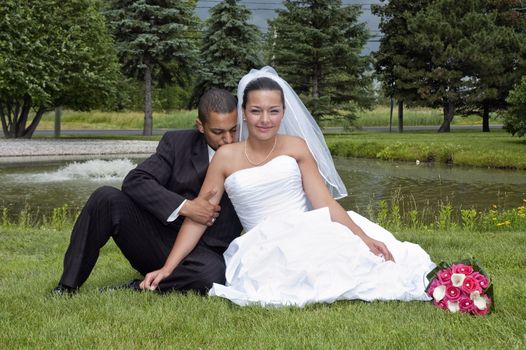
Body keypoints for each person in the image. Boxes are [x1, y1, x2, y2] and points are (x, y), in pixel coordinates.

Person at [140, 67, 436, 307]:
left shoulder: (296, 146)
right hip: (263, 244)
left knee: (367, 265)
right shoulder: (226, 157)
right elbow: (199, 217)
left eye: (273, 111)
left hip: (307, 227)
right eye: (256, 111)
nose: (265, 120)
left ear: (284, 112)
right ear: (244, 112)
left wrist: (363, 236)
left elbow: (325, 202)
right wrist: (168, 268)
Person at [52, 88, 243, 295]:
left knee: (212, 276)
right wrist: (186, 207)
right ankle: (67, 286)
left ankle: (139, 287)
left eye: (233, 130)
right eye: (218, 132)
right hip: (158, 240)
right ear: (200, 126)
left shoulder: (248, 153)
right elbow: (136, 181)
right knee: (105, 197)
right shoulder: (177, 143)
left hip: (205, 254)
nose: (228, 139)